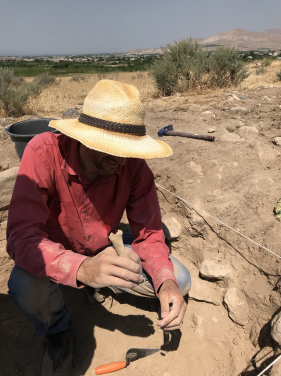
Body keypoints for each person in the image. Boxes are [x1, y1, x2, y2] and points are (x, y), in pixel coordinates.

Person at [7, 79, 191, 372]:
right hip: (57, 253)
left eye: (126, 151)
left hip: (105, 246)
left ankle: (104, 284)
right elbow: (20, 236)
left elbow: (150, 232)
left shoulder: (133, 167)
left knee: (179, 280)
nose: (120, 162)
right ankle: (57, 332)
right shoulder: (43, 152)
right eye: (109, 150)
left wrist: (165, 281)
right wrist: (81, 268)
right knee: (24, 286)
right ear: (84, 138)